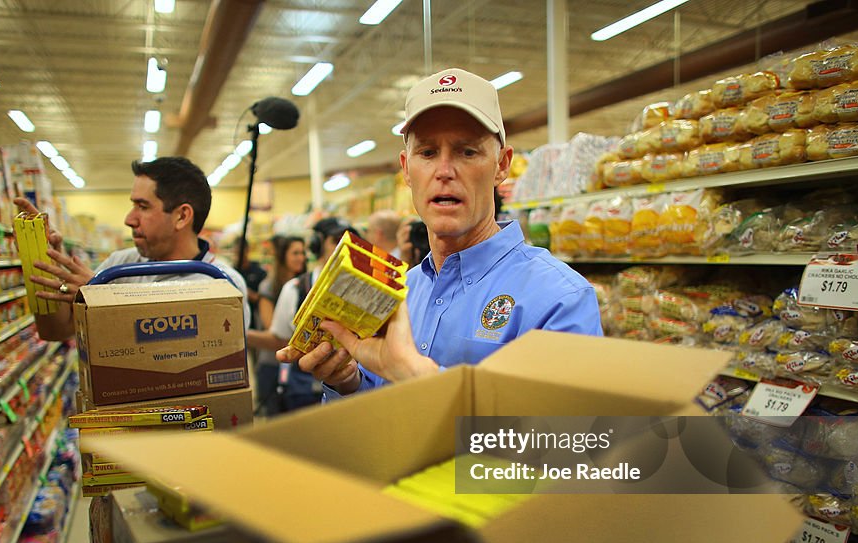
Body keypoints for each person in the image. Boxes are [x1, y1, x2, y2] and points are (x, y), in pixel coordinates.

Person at [276, 67, 602, 399]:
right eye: (428, 153)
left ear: (502, 165)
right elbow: (380, 415)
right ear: (406, 168)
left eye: (468, 152)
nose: (444, 171)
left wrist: (425, 380)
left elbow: (569, 441)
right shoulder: (400, 292)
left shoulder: (560, 298)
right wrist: (349, 381)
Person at [17, 156, 248, 342]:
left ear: (181, 216)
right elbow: (55, 332)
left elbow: (184, 355)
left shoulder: (223, 284)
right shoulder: (119, 265)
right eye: (133, 205)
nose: (129, 219)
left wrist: (101, 298)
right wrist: (40, 255)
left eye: (143, 206)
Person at [267, 217, 357, 411]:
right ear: (318, 245)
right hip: (302, 394)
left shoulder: (362, 292)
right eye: (337, 239)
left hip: (351, 394)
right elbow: (280, 339)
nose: (347, 245)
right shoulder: (294, 288)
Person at [245, 235, 307, 415]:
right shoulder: (269, 287)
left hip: (297, 369)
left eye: (303, 252)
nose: (301, 258)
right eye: (295, 253)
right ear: (282, 256)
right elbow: (276, 335)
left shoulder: (305, 285)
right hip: (272, 366)